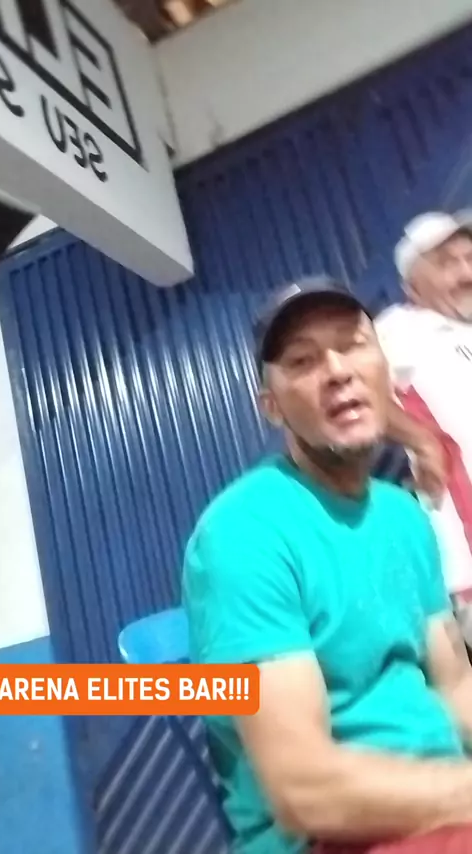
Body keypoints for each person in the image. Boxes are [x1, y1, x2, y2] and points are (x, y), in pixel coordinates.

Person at [182, 276, 472, 854]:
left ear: (384, 373)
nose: (337, 370)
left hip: (444, 803)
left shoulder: (404, 516)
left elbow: (457, 685)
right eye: (302, 360)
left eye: (353, 344)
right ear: (271, 407)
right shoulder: (243, 533)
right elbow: (306, 791)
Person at [375, 212, 472, 624]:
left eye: (470, 259)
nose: (467, 273)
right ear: (412, 286)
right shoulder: (400, 329)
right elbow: (358, 391)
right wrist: (419, 439)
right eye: (447, 263)